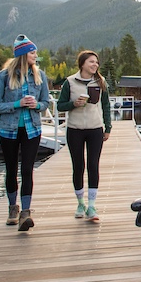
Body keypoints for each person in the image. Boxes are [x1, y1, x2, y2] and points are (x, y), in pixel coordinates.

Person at [0, 34, 51, 231]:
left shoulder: (40, 76)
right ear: (23, 54)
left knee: (27, 170)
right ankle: (12, 208)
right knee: (11, 170)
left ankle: (26, 212)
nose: (36, 55)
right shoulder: (4, 76)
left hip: (32, 130)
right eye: (33, 52)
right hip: (8, 130)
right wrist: (17, 104)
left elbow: (45, 103)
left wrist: (37, 105)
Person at [56, 50, 112, 223]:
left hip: (95, 129)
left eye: (96, 62)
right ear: (82, 64)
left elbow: (106, 106)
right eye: (91, 62)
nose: (95, 65)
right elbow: (60, 106)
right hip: (75, 129)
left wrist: (107, 127)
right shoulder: (70, 82)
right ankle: (80, 203)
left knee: (93, 166)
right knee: (78, 166)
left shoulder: (100, 82)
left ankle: (92, 205)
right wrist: (74, 104)